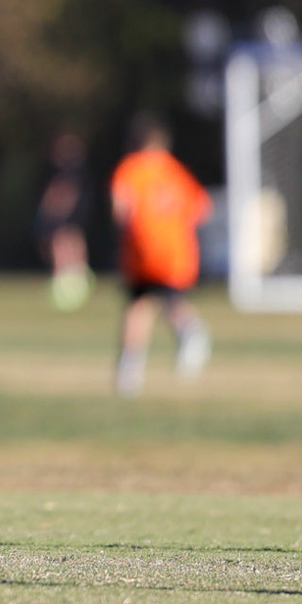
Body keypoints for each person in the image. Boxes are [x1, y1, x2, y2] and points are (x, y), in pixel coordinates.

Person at [109, 114, 212, 398]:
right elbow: (202, 208)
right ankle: (191, 334)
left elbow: (120, 209)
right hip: (176, 253)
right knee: (168, 301)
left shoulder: (130, 168)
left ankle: (129, 370)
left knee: (139, 306)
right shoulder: (176, 171)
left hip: (142, 252)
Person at [35, 132, 95, 312]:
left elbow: (61, 196)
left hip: (66, 220)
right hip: (67, 220)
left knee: (66, 248)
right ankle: (71, 283)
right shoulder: (66, 171)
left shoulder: (70, 173)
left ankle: (70, 285)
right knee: (66, 248)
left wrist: (54, 214)